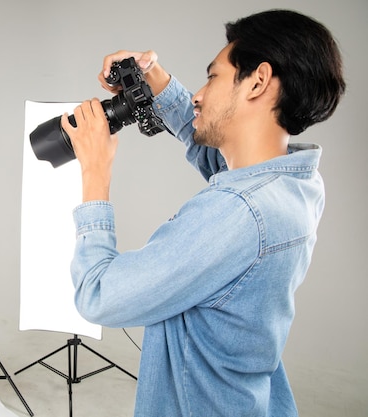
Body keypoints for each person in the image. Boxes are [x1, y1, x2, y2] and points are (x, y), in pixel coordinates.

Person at [61, 9, 345, 417]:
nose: (196, 94)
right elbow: (222, 161)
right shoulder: (295, 183)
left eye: (213, 77)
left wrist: (94, 170)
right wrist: (153, 80)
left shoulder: (238, 213)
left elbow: (98, 294)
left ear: (258, 81)